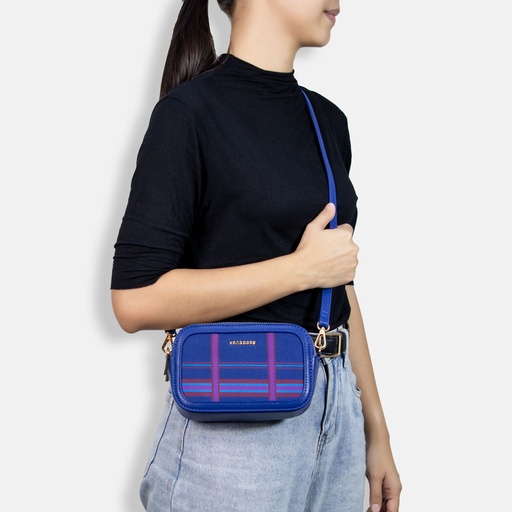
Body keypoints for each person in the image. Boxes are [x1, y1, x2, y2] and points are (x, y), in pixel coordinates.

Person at [111, 0, 402, 511]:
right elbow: (134, 300)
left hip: (336, 416)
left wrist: (375, 431)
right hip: (235, 429)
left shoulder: (327, 121)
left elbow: (336, 282)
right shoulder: (188, 114)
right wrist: (298, 270)